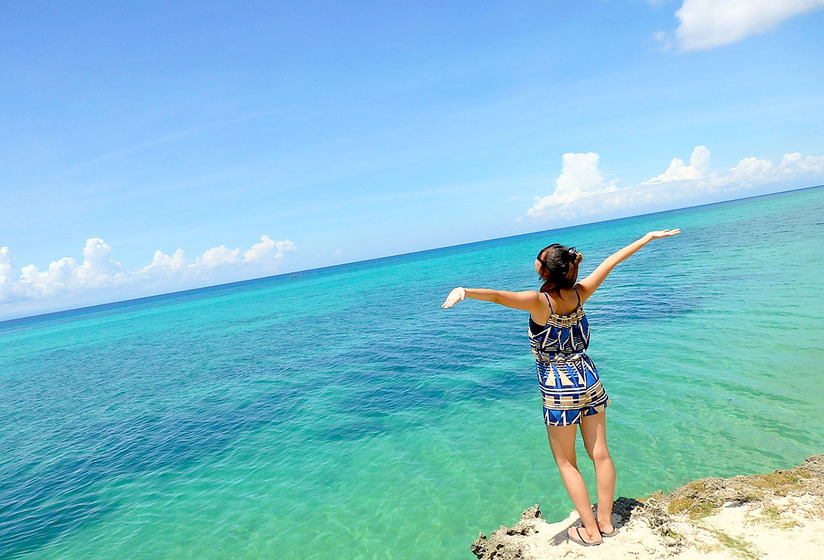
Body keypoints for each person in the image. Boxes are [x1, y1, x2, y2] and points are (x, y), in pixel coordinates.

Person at [441, 229, 680, 546]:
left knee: (567, 462)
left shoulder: (539, 302)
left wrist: (464, 290)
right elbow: (611, 261)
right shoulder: (581, 292)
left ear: (544, 271)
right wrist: (646, 238)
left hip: (558, 386)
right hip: (589, 377)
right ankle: (606, 522)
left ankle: (591, 532)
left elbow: (499, 296)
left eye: (538, 260)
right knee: (601, 455)